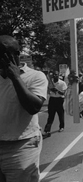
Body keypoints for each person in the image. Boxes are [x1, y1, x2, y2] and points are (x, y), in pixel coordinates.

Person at [0, 35, 48, 181]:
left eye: (4, 54)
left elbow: (33, 107)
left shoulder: (35, 76)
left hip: (21, 146)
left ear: (16, 55)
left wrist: (15, 77)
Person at [43, 70, 67, 137]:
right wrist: (50, 90)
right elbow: (48, 92)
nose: (55, 76)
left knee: (60, 114)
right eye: (54, 74)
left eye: (56, 74)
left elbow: (63, 93)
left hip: (59, 100)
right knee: (51, 116)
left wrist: (56, 90)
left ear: (58, 75)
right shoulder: (50, 83)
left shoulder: (62, 83)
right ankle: (47, 130)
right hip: (52, 100)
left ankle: (61, 127)